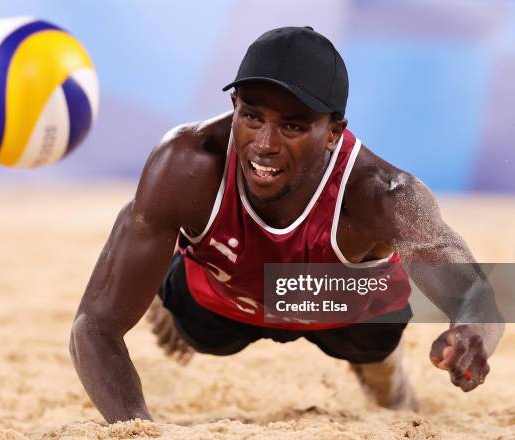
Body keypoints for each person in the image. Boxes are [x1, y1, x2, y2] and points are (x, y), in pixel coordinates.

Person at [69, 26, 504, 423]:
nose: (265, 144)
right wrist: (138, 429)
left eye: (293, 126)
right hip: (224, 298)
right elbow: (93, 325)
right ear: (234, 105)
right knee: (196, 331)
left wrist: (473, 334)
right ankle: (169, 286)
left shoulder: (383, 194)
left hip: (333, 304)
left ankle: (383, 366)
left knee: (373, 339)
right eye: (253, 116)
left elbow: (477, 294)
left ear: (334, 132)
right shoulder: (186, 163)